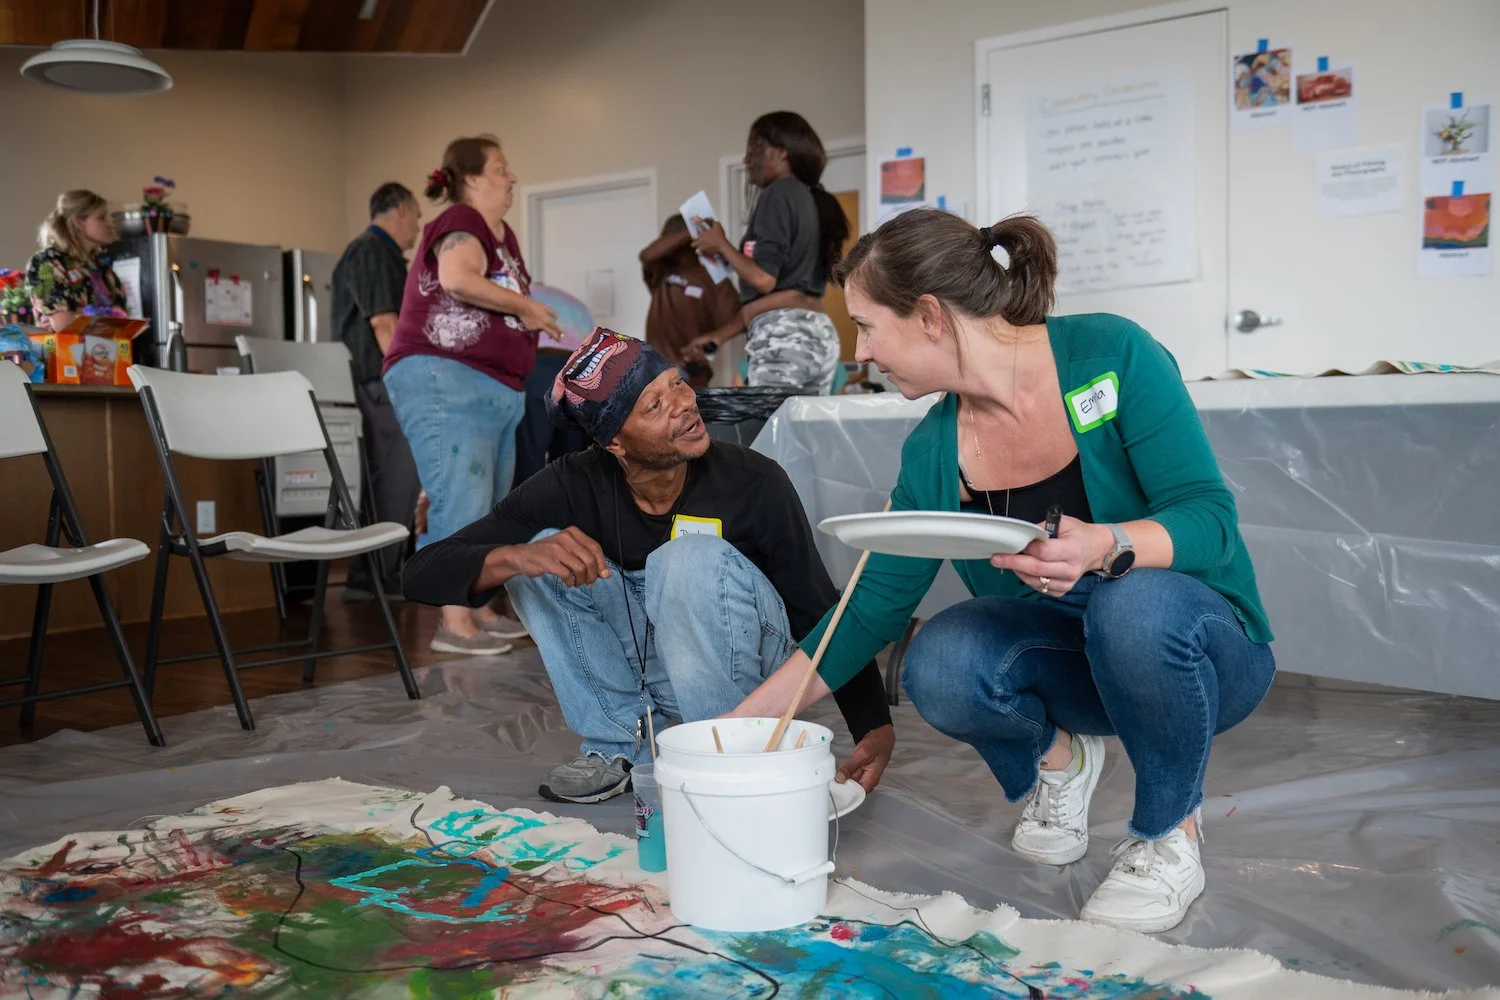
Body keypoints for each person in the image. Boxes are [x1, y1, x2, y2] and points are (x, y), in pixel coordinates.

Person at [727, 208, 1276, 934]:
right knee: (941, 660)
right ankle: (1062, 762)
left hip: (1202, 655)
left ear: (930, 316)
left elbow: (1210, 521)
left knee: (1132, 603)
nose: (862, 352)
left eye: (867, 327)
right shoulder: (933, 451)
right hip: (1080, 665)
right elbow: (868, 610)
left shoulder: (1112, 355)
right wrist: (739, 729)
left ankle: (1170, 833)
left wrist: (1104, 544)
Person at [402, 328, 894, 804]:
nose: (683, 405)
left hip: (745, 671)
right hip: (646, 665)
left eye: (677, 383)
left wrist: (872, 726)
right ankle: (623, 744)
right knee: (541, 552)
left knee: (687, 558)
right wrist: (516, 556)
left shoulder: (753, 482)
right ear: (615, 443)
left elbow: (817, 608)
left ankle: (723, 750)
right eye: (655, 406)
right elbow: (421, 573)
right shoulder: (572, 483)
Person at [383, 135, 564, 655]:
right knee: (460, 497)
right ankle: (454, 621)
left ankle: (478, 605)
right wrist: (525, 309)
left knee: (489, 506)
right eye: (501, 168)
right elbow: (457, 278)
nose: (512, 177)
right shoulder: (460, 220)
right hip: (445, 375)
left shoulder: (503, 236)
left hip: (493, 384)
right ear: (471, 179)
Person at [684, 112, 849, 393]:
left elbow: (763, 280)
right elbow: (783, 295)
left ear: (782, 152)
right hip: (815, 334)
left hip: (785, 337)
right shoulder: (805, 197)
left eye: (755, 148)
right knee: (803, 422)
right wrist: (717, 337)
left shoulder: (779, 192)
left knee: (772, 422)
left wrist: (721, 245)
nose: (747, 158)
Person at [332, 181, 424, 598]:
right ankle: (374, 576)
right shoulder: (371, 251)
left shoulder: (380, 254)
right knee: (396, 474)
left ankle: (375, 573)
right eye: (416, 215)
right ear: (400, 208)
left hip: (379, 380)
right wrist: (409, 379)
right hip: (381, 381)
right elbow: (384, 324)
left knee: (392, 474)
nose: (417, 226)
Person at [639, 214, 740, 389]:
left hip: (691, 374)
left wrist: (709, 344)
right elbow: (646, 255)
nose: (669, 244)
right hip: (654, 371)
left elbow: (737, 320)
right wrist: (689, 232)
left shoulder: (715, 280)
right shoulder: (660, 271)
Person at [26, 190, 127, 331]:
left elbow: (122, 321)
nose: (111, 224)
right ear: (78, 222)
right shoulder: (47, 262)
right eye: (102, 218)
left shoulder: (101, 266)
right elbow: (65, 326)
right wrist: (106, 317)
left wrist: (80, 315)